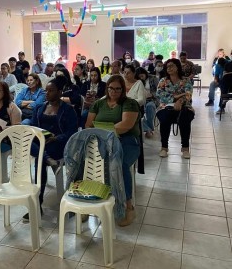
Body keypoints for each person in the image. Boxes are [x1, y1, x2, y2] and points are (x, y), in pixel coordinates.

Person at [85, 75, 140, 227]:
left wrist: (103, 130)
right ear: (107, 88)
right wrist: (103, 133)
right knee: (86, 160)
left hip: (127, 141)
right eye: (111, 88)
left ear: (123, 89)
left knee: (119, 163)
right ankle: (87, 200)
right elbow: (88, 125)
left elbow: (126, 125)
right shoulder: (98, 104)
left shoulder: (130, 103)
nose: (114, 92)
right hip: (102, 140)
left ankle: (128, 206)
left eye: (118, 89)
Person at [23, 76, 78, 222]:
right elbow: (34, 128)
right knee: (28, 142)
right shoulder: (40, 108)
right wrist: (40, 136)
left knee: (39, 158)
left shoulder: (68, 110)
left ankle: (37, 205)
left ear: (60, 92)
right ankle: (47, 158)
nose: (47, 93)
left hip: (59, 145)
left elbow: (72, 132)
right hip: (41, 143)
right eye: (46, 90)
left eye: (51, 90)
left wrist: (56, 138)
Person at [156, 58, 195, 159]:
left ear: (177, 67)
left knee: (185, 117)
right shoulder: (163, 81)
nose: (169, 68)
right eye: (167, 67)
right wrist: (176, 97)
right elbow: (160, 94)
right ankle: (164, 147)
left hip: (184, 106)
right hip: (165, 107)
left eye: (171, 66)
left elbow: (188, 94)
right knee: (164, 118)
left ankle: (185, 148)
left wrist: (180, 101)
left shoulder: (185, 80)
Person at [135, 67, 159, 138]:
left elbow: (159, 90)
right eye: (139, 77)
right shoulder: (136, 81)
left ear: (145, 73)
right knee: (136, 112)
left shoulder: (153, 78)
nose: (141, 78)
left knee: (150, 106)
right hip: (140, 99)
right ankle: (148, 129)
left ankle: (150, 128)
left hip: (152, 99)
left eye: (142, 76)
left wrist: (152, 94)